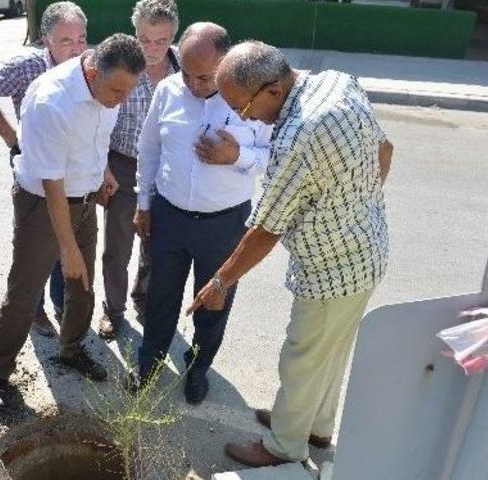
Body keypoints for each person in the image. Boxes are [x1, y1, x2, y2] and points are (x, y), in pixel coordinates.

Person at [187, 40, 392, 466]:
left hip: (331, 272)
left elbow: (265, 230)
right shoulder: (336, 82)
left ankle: (283, 447)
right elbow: (384, 150)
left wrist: (221, 281)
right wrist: (355, 203)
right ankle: (312, 429)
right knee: (330, 353)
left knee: (300, 360)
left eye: (245, 109)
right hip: (369, 252)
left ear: (273, 89)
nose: (248, 119)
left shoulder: (299, 133)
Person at [0, 34, 146, 407]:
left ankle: (71, 348)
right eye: (117, 90)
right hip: (43, 203)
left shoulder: (110, 86)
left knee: (82, 284)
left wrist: (102, 170)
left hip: (86, 197)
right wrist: (67, 247)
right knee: (25, 291)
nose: (122, 99)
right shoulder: (51, 101)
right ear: (92, 71)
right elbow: (51, 181)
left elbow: (94, 137)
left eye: (129, 90)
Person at [132, 23, 271, 404]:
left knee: (213, 301)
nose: (193, 85)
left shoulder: (251, 99)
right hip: (170, 216)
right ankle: (149, 365)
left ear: (226, 64)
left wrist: (236, 156)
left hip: (224, 222)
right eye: (187, 74)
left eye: (204, 76)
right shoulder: (168, 90)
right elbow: (148, 149)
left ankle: (198, 367)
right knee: (160, 296)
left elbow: (273, 156)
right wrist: (144, 203)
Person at [0, 1, 87, 336]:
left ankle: (61, 301)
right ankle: (34, 310)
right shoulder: (28, 66)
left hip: (71, 169)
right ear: (45, 39)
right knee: (35, 241)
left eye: (81, 39)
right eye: (66, 41)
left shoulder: (86, 67)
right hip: (35, 167)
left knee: (66, 236)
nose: (76, 48)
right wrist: (12, 138)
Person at [97, 0, 181, 340]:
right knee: (117, 247)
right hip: (122, 166)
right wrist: (102, 167)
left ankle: (143, 298)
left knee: (155, 245)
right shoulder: (120, 64)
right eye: (145, 39)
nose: (152, 49)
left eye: (161, 41)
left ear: (172, 37)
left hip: (165, 172)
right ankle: (113, 311)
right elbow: (96, 120)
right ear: (136, 33)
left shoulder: (183, 70)